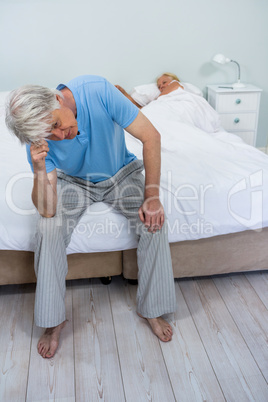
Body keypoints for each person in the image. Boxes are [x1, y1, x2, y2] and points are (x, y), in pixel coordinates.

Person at [5, 75, 176, 359]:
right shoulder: (37, 139)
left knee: (155, 221)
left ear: (57, 99)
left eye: (58, 124)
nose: (61, 135)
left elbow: (151, 136)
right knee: (48, 227)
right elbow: (47, 209)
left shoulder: (98, 90)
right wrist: (38, 168)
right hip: (74, 183)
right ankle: (52, 320)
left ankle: (153, 310)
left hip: (120, 174)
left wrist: (153, 197)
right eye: (51, 134)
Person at [115, 72, 184, 108]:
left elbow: (146, 109)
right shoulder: (160, 99)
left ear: (175, 80)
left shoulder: (175, 83)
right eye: (159, 86)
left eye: (164, 82)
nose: (162, 86)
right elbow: (147, 109)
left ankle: (126, 97)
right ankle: (126, 97)